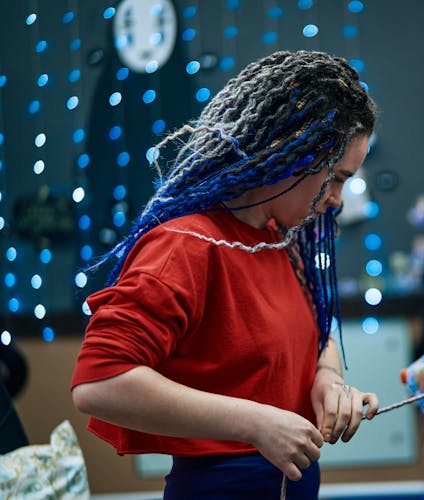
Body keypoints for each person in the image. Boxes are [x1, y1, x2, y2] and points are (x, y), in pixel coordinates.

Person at [70, 50, 380, 499]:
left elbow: (316, 332)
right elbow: (100, 383)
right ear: (289, 153)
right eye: (337, 178)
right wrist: (255, 421)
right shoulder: (184, 246)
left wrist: (327, 380)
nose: (338, 200)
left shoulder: (283, 238)